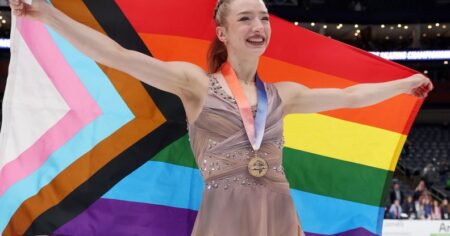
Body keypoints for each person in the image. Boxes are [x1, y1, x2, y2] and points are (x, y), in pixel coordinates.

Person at [9, 0, 433, 235]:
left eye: (264, 18)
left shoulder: (282, 95)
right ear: (223, 32)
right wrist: (48, 15)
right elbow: (118, 56)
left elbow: (350, 96)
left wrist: (403, 85)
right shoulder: (196, 84)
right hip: (224, 217)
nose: (258, 25)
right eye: (245, 17)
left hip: (279, 215)